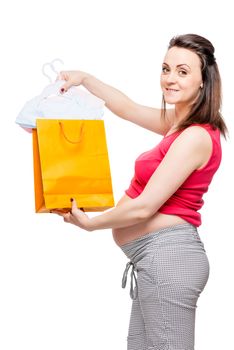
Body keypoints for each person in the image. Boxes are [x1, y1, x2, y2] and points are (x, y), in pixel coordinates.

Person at [52, 34, 228, 350]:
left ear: (204, 81)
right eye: (166, 68)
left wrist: (92, 224)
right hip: (155, 260)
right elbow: (128, 108)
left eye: (183, 71)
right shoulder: (180, 124)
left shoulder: (196, 137)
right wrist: (86, 79)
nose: (170, 79)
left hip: (169, 259)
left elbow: (144, 207)